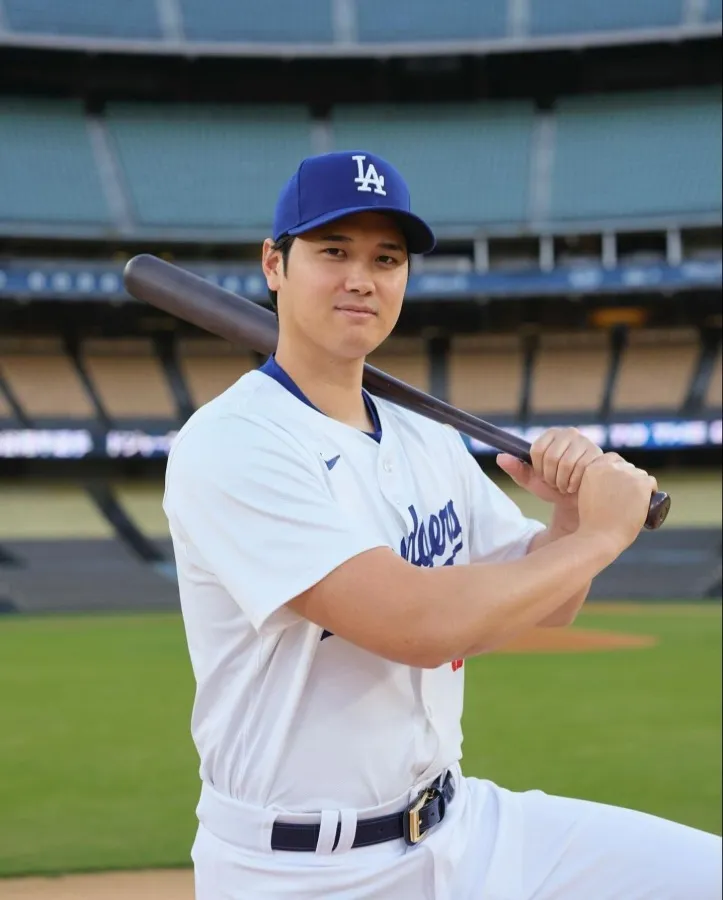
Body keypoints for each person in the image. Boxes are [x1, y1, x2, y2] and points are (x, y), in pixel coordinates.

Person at [163, 150, 721, 900]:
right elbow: (415, 625)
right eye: (333, 251)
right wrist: (599, 536)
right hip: (304, 869)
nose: (361, 277)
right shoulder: (234, 443)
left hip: (461, 826)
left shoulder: (422, 436)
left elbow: (551, 603)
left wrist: (563, 521)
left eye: (385, 258)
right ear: (274, 264)